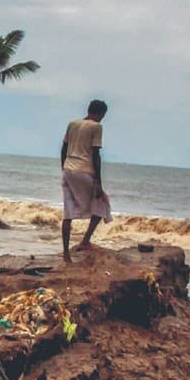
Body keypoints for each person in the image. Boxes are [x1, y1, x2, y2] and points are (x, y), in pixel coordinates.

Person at [60, 99, 111, 262]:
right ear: (101, 113)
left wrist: (64, 167)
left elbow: (64, 147)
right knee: (102, 203)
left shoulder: (73, 123)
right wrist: (99, 183)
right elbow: (96, 155)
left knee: (68, 213)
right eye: (103, 115)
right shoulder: (96, 127)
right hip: (84, 170)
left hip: (68, 169)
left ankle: (66, 255)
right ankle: (85, 240)